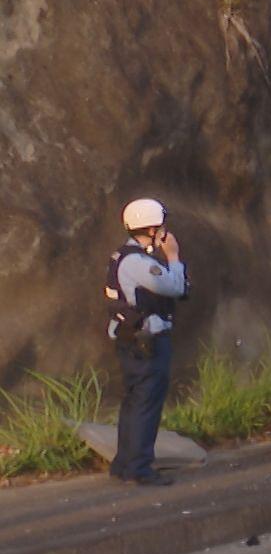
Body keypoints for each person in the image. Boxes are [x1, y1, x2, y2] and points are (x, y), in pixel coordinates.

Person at [105, 198, 190, 486]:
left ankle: (124, 463)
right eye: (161, 225)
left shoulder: (123, 255)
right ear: (152, 228)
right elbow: (174, 287)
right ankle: (139, 467)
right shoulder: (138, 262)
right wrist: (174, 256)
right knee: (146, 403)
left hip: (131, 339)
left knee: (133, 402)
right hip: (147, 342)